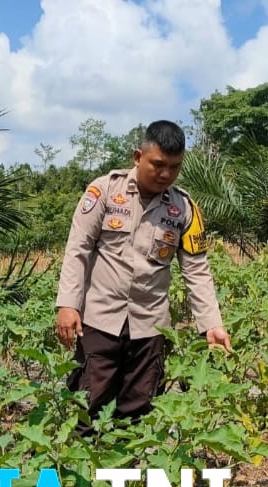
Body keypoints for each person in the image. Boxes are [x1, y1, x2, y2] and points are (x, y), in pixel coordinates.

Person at [54, 120, 232, 435]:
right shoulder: (104, 190)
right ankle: (79, 481)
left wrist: (212, 324)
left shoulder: (185, 208)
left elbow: (196, 269)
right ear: (139, 156)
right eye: (158, 165)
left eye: (174, 167)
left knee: (139, 412)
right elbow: (77, 248)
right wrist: (68, 305)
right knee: (87, 405)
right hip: (99, 321)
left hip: (149, 327)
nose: (165, 174)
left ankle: (127, 479)